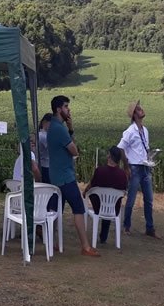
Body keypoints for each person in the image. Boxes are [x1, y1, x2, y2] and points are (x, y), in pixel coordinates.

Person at [47, 95, 100, 257]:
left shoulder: (53, 127)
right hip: (65, 177)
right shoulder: (60, 129)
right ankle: (85, 246)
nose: (68, 110)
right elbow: (74, 151)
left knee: (55, 211)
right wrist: (71, 130)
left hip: (56, 175)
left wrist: (69, 130)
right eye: (66, 107)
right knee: (79, 208)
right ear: (58, 109)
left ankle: (53, 242)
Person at [118, 100, 160, 238]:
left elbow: (144, 148)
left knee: (149, 199)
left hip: (145, 167)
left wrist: (151, 157)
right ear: (134, 115)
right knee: (131, 199)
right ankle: (126, 226)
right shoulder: (130, 131)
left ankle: (150, 228)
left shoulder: (145, 130)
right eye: (139, 109)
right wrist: (126, 166)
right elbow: (121, 148)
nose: (142, 110)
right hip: (135, 168)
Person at [83, 146, 128, 244]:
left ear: (109, 156)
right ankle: (103, 237)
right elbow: (124, 190)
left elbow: (92, 185)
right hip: (114, 208)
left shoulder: (100, 171)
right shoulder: (122, 174)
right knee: (109, 202)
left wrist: (85, 192)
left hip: (98, 206)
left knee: (100, 198)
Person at [37, 113, 53, 183]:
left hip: (46, 165)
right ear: (45, 122)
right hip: (45, 166)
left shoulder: (41, 134)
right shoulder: (43, 136)